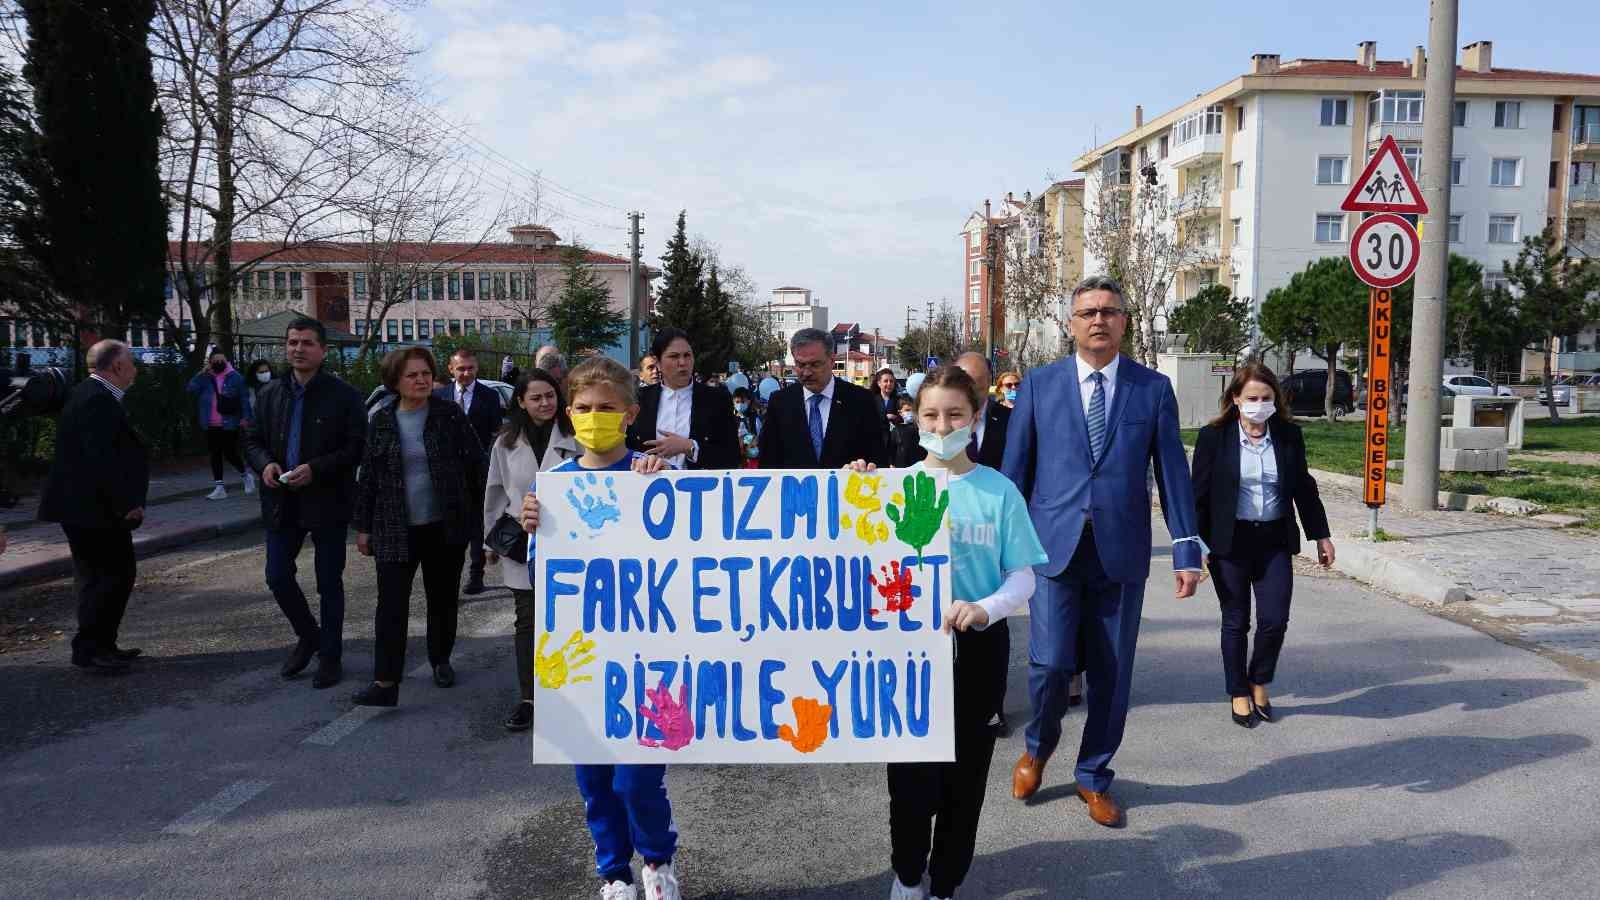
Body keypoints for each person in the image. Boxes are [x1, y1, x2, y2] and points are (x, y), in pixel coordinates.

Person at [1002, 275, 1205, 829]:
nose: (1099, 320)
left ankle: (1093, 776)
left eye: (1110, 311)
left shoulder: (1152, 388)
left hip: (1121, 552)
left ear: (1124, 321)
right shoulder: (1040, 386)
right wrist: (998, 545)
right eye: (1088, 311)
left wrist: (1187, 550)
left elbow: (1172, 474)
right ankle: (1038, 750)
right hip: (1053, 551)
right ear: (1072, 323)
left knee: (1112, 674)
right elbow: (1015, 470)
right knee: (1048, 664)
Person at [856, 365, 1046, 900]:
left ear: (976, 417)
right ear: (915, 419)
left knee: (965, 780)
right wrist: (852, 488)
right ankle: (908, 875)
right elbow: (851, 550)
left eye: (955, 415)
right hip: (908, 653)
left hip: (979, 650)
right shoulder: (891, 486)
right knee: (911, 779)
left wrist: (986, 608)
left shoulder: (998, 491)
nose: (942, 426)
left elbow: (1023, 577)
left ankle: (944, 883)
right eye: (931, 415)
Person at [517, 357, 678, 900]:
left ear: (630, 414)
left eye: (607, 408)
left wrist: (664, 491)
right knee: (594, 780)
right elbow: (546, 578)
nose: (595, 417)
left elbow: (697, 556)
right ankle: (614, 873)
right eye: (584, 409)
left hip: (649, 658)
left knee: (637, 778)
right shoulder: (554, 487)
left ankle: (657, 861)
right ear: (569, 414)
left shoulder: (656, 479)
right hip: (583, 660)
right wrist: (534, 528)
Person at [1191, 364, 1335, 728]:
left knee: (1274, 621)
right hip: (1230, 542)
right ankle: (1238, 691)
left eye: (1266, 398)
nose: (1258, 405)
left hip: (1273, 540)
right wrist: (1195, 543)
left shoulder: (1288, 435)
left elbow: (1304, 487)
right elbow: (1199, 497)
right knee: (1236, 621)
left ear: (1276, 400)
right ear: (1235, 399)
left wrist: (1321, 535)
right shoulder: (1214, 437)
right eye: (1251, 398)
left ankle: (1259, 681)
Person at [351, 347, 485, 707]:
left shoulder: (448, 414)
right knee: (390, 605)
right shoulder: (381, 420)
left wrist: (479, 517)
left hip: (445, 526)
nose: (422, 380)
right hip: (394, 527)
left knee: (442, 600)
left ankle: (440, 660)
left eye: (426, 373)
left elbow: (476, 464)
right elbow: (369, 478)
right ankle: (385, 681)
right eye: (412, 375)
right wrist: (363, 527)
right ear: (395, 381)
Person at [242, 317, 367, 690]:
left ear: (322, 350)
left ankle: (330, 656)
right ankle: (309, 635)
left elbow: (356, 447)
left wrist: (316, 468)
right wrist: (265, 465)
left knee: (329, 583)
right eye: (293, 342)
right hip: (282, 500)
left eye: (307, 343)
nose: (298, 348)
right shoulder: (270, 394)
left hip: (327, 500)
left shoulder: (343, 395)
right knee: (277, 576)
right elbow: (250, 440)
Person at [39, 339, 148, 672]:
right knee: (107, 576)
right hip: (92, 509)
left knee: (106, 575)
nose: (135, 368)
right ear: (116, 366)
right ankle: (91, 648)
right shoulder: (96, 400)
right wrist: (126, 503)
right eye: (131, 361)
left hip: (90, 506)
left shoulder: (95, 396)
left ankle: (102, 644)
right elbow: (100, 461)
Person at [483, 369, 580, 731]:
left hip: (572, 545)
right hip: (523, 542)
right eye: (536, 397)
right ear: (521, 401)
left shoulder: (577, 439)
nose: (545, 403)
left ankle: (572, 693)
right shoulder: (505, 443)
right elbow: (494, 491)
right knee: (527, 621)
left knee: (569, 620)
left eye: (550, 396)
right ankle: (530, 697)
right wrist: (488, 540)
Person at [758, 328, 889, 469]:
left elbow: (879, 460)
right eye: (800, 365)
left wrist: (864, 467)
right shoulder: (780, 403)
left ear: (832, 360)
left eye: (815, 365)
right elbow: (768, 464)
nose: (807, 372)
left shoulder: (861, 400)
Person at [434, 348, 505, 596]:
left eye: (470, 368)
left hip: (478, 471)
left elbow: (495, 431)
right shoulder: (439, 395)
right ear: (451, 370)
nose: (466, 373)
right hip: (447, 473)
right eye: (461, 369)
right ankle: (448, 577)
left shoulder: (489, 396)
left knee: (477, 525)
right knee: (450, 527)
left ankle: (477, 575)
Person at [624, 327, 742, 470]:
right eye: (674, 356)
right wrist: (643, 461)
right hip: (648, 487)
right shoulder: (639, 398)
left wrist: (690, 447)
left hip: (699, 489)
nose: (682, 362)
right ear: (658, 363)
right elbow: (625, 448)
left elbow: (732, 456)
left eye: (687, 355)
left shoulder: (717, 399)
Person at [187, 349, 256, 499]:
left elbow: (244, 398)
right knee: (215, 454)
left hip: (229, 422)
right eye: (215, 360)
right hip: (210, 423)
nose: (219, 363)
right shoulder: (205, 377)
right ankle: (219, 488)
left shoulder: (235, 377)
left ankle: (245, 476)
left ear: (226, 361)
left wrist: (246, 418)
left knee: (230, 453)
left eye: (221, 360)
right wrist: (201, 373)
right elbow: (191, 388)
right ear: (210, 363)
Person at [731, 386, 761, 468]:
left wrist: (747, 439)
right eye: (737, 402)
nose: (740, 404)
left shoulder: (754, 418)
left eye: (743, 402)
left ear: (749, 401)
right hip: (734, 458)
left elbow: (758, 436)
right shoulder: (730, 418)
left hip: (751, 459)